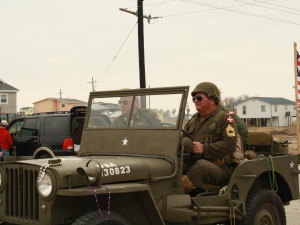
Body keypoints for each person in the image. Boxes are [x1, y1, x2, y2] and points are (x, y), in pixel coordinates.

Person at [181, 82, 238, 193]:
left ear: (212, 100)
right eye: (194, 98)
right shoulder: (193, 120)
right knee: (174, 164)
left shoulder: (226, 119)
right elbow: (182, 138)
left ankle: (177, 193)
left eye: (199, 98)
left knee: (201, 167)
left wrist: (204, 148)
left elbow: (230, 144)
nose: (195, 101)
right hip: (192, 161)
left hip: (219, 169)